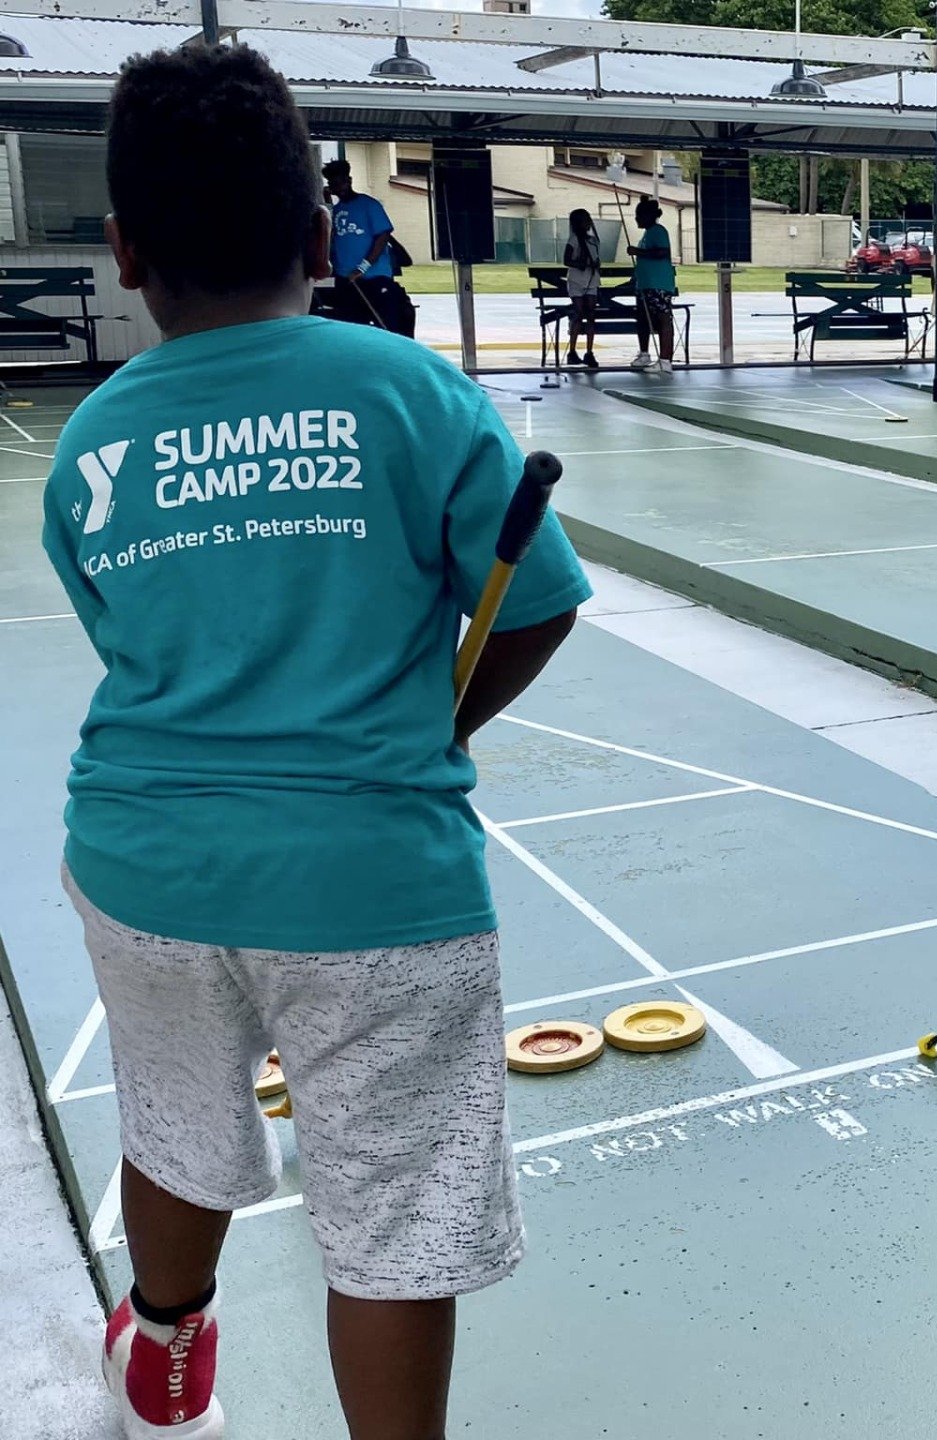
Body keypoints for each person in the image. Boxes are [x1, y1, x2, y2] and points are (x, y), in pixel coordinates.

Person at [43, 44, 591, 1439]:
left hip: (142, 869)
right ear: (315, 233)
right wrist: (434, 721)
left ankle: (165, 1372)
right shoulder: (413, 393)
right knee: (397, 1204)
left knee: (174, 1121)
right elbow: (536, 605)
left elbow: (135, 642)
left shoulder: (92, 440)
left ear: (122, 251)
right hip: (375, 888)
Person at [319, 158, 412, 337]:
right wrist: (328, 204)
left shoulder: (369, 204)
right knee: (352, 329)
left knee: (385, 328)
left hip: (374, 278)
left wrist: (363, 267)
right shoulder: (335, 210)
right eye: (334, 184)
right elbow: (328, 238)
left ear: (349, 181)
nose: (339, 187)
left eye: (341, 182)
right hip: (346, 279)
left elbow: (382, 236)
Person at [628, 196, 676, 372]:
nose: (637, 219)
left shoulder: (658, 231)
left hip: (658, 284)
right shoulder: (647, 234)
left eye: (639, 215)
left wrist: (637, 251)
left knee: (663, 319)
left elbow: (662, 252)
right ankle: (644, 353)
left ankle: (665, 360)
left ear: (649, 216)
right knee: (643, 319)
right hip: (645, 284)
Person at [563, 207, 601, 369]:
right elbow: (567, 260)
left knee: (591, 315)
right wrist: (581, 263)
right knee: (578, 314)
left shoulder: (593, 240)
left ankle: (589, 351)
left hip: (591, 280)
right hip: (578, 281)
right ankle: (572, 351)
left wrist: (595, 264)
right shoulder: (574, 240)